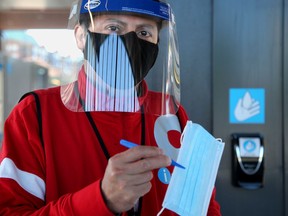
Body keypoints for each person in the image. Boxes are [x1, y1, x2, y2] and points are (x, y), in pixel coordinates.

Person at [0, 0, 221, 215]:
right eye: (113, 27)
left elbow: (203, 206)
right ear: (80, 36)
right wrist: (101, 199)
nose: (131, 43)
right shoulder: (35, 114)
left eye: (144, 33)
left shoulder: (171, 113)